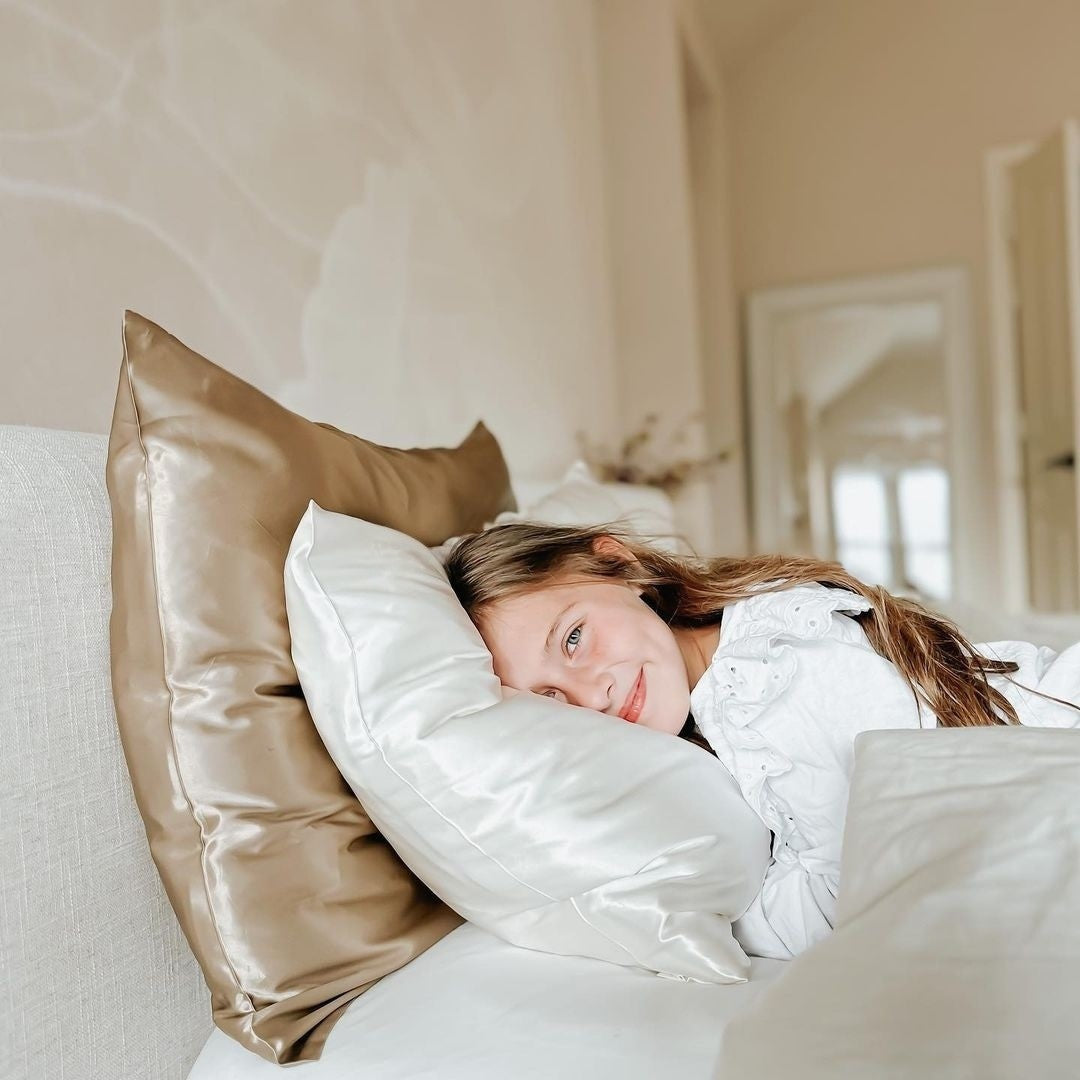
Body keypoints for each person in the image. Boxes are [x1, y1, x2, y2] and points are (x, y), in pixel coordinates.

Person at [444, 520, 1080, 960]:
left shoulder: (769, 675)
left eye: (574, 638)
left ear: (618, 564)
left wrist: (722, 920)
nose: (593, 694)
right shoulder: (716, 678)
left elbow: (852, 896)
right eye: (552, 698)